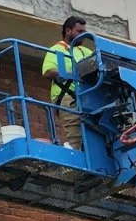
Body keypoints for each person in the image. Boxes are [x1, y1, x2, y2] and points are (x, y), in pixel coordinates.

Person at [40, 15, 97, 146]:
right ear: (68, 31)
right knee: (75, 136)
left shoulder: (85, 51)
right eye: (79, 32)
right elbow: (48, 72)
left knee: (96, 135)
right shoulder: (56, 49)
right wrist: (70, 73)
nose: (83, 35)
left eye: (84, 32)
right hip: (67, 96)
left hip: (88, 96)